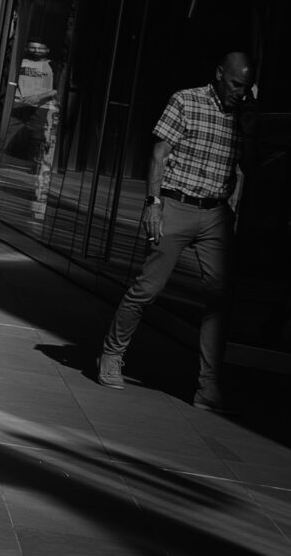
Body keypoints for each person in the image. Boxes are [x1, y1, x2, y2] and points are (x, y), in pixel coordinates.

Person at [97, 52, 253, 410]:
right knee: (148, 288)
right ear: (219, 74)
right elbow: (159, 152)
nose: (239, 93)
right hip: (177, 205)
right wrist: (153, 203)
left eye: (245, 87)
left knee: (219, 298)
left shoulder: (243, 116)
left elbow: (245, 166)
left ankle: (208, 385)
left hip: (216, 213)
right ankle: (111, 354)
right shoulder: (185, 100)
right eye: (234, 85)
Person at [2, 39, 58, 162]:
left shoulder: (52, 65)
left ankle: (36, 163)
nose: (36, 51)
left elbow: (57, 90)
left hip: (42, 105)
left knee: (38, 136)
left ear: (47, 50)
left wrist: (38, 97)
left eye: (40, 48)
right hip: (19, 103)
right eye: (33, 48)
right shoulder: (20, 62)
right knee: (7, 131)